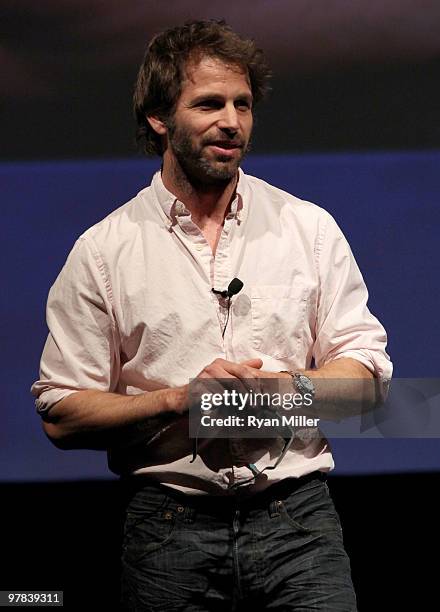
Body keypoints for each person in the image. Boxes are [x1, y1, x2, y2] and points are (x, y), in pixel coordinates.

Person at [32, 19, 392, 611]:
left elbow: (370, 382)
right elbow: (62, 415)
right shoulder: (104, 251)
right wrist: (178, 401)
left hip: (298, 521)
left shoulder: (310, 229)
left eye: (243, 104)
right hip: (168, 530)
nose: (232, 121)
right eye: (208, 104)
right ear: (159, 118)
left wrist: (279, 393)